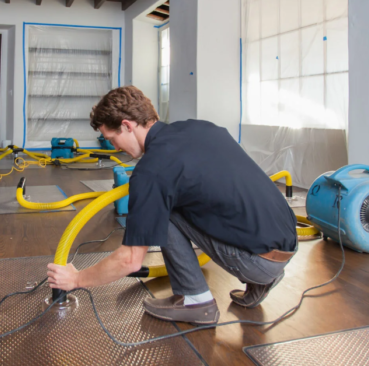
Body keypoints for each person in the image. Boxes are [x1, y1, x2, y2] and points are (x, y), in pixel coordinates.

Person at [47, 86, 298, 325]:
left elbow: (130, 261)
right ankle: (263, 280)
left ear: (127, 125)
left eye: (112, 139)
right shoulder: (202, 128)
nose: (114, 148)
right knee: (182, 199)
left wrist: (76, 278)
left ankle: (195, 301)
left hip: (260, 262)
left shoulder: (151, 170)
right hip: (288, 240)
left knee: (163, 208)